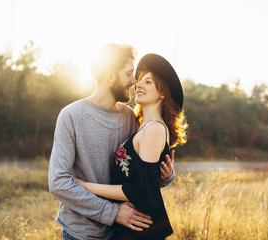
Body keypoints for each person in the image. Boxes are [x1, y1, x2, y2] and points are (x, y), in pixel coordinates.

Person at [48, 44, 176, 240]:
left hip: (120, 233)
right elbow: (58, 182)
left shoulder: (130, 118)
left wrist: (166, 174)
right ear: (110, 76)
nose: (134, 82)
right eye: (129, 74)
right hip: (81, 233)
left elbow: (140, 177)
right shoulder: (71, 116)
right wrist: (113, 213)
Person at [75, 53, 188, 240]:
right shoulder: (142, 128)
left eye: (148, 82)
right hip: (129, 228)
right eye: (140, 80)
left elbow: (140, 190)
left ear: (162, 93)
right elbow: (148, 179)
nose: (139, 84)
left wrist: (86, 186)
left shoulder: (154, 130)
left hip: (141, 232)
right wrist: (166, 176)